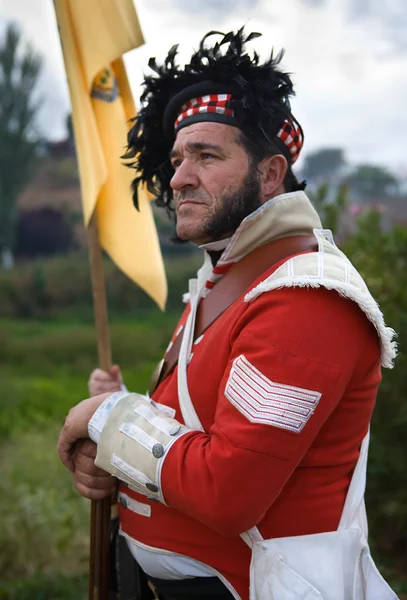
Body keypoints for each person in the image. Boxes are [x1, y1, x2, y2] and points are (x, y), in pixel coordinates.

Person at [58, 29, 398, 600]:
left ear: (269, 173)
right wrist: (109, 457)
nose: (180, 178)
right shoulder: (226, 281)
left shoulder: (306, 298)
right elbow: (187, 432)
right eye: (177, 160)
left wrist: (107, 416)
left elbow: (225, 489)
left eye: (206, 156)